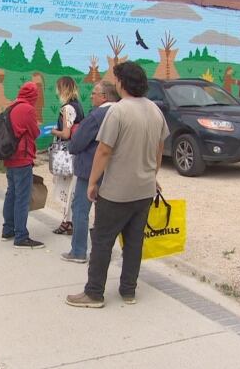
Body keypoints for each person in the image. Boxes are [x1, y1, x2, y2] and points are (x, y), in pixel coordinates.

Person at [66, 62, 169, 308]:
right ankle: (128, 290)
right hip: (144, 190)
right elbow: (160, 147)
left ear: (122, 83)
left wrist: (92, 182)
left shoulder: (118, 111)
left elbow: (103, 150)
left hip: (116, 191)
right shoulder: (155, 110)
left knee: (102, 241)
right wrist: (152, 175)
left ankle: (94, 293)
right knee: (134, 243)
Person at [61, 81, 120, 263]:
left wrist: (71, 145)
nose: (91, 96)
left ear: (104, 96)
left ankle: (78, 251)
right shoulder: (122, 113)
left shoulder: (97, 116)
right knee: (107, 213)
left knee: (80, 209)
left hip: (90, 169)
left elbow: (77, 141)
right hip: (114, 170)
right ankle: (103, 252)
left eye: (94, 93)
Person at [2, 82, 43, 249]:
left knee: (11, 193)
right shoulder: (27, 109)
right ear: (33, 95)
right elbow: (35, 132)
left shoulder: (11, 106)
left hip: (9, 157)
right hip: (22, 157)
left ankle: (8, 229)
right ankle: (21, 236)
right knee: (22, 197)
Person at [50, 77, 85, 235]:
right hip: (77, 151)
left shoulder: (67, 108)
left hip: (67, 153)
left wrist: (53, 131)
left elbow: (66, 133)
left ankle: (67, 221)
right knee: (72, 188)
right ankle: (68, 220)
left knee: (67, 188)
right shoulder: (79, 106)